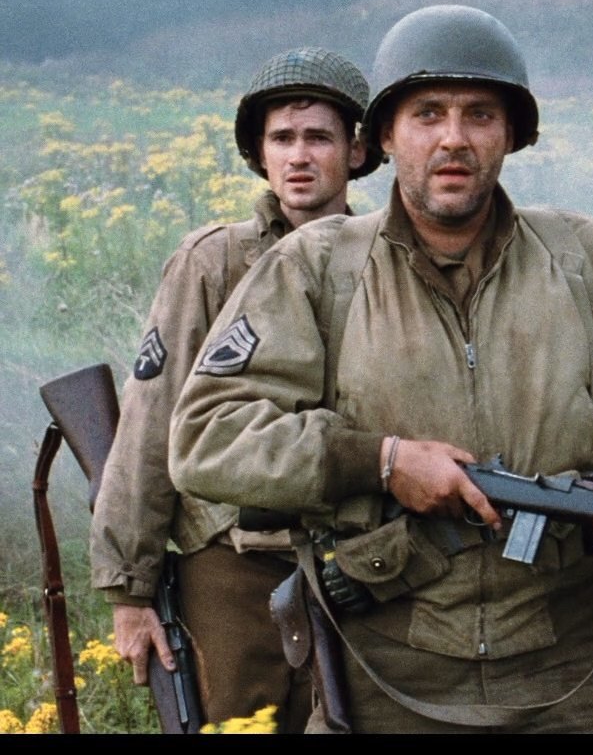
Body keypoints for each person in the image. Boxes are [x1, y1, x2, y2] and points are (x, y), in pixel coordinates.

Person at [169, 5, 593, 732]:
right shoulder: (317, 268)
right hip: (385, 673)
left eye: (479, 115)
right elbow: (207, 436)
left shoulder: (582, 257)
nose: (453, 138)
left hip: (575, 669)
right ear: (385, 136)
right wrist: (381, 461)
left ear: (511, 135)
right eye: (427, 114)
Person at [90, 46, 374, 730]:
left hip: (361, 559)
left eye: (318, 137)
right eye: (282, 138)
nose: (298, 157)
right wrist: (131, 591)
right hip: (232, 559)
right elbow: (151, 421)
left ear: (357, 150)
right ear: (259, 153)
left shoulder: (385, 257)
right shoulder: (214, 260)